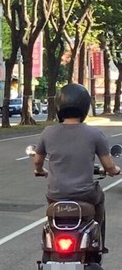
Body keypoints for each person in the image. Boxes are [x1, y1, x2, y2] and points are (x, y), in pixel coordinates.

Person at [33, 83, 120, 250]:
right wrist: (115, 171)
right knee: (100, 199)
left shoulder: (48, 132)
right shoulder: (95, 134)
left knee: (51, 214)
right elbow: (109, 166)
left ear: (58, 105)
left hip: (56, 194)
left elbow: (37, 162)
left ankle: (53, 236)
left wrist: (39, 171)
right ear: (85, 106)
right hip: (85, 194)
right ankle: (98, 241)